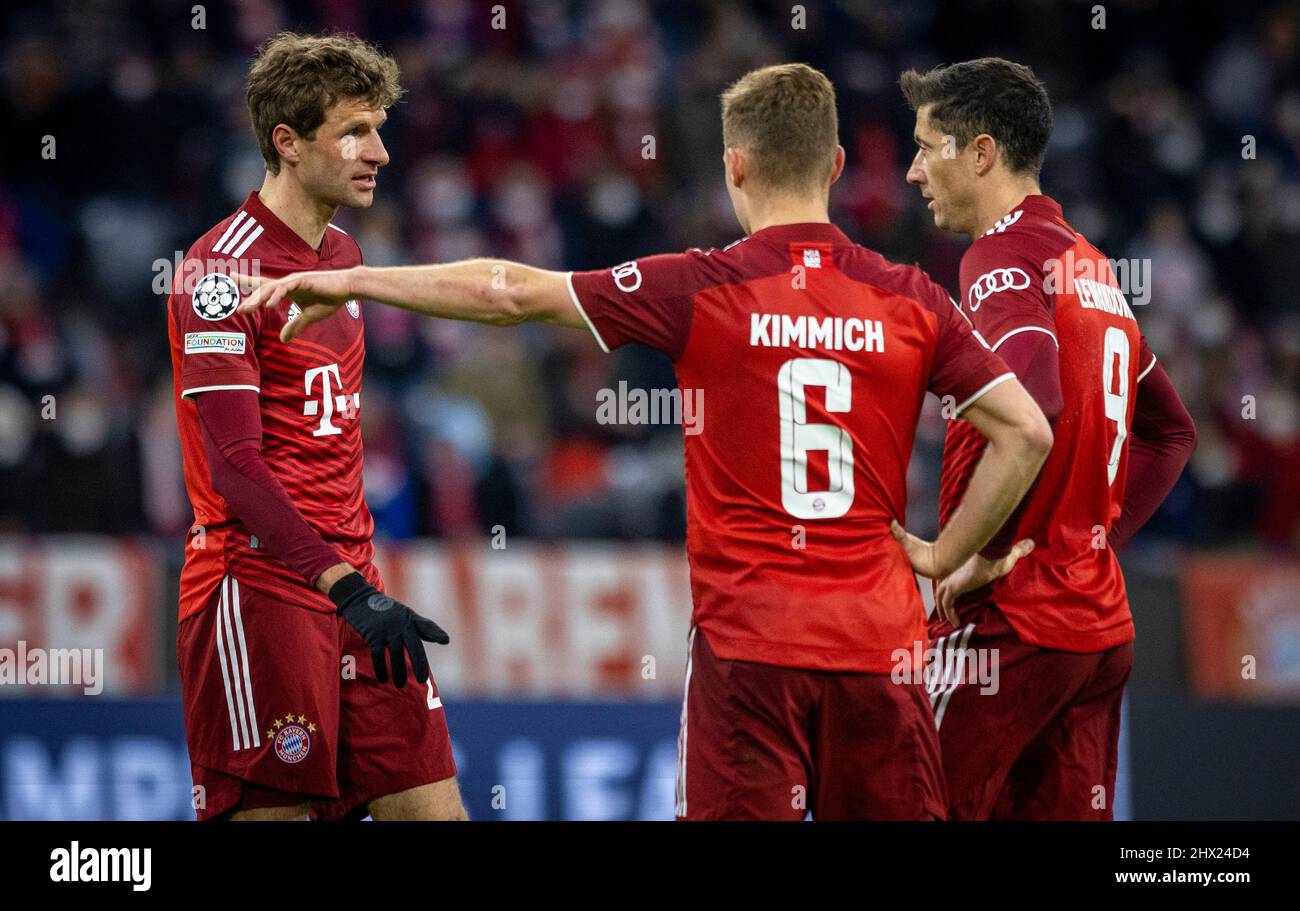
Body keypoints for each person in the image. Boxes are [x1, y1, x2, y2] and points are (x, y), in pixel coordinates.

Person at [237, 63, 1052, 820]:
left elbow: (510, 291)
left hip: (750, 653)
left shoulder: (702, 286)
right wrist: (946, 556)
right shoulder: (912, 297)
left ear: (735, 167)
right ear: (837, 164)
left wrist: (356, 279)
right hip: (883, 652)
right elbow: (1025, 432)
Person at [167, 32, 465, 821]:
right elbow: (233, 463)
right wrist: (341, 584)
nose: (382, 153)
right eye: (356, 132)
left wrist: (355, 585)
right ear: (288, 143)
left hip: (357, 590)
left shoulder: (343, 256)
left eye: (380, 128)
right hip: (260, 592)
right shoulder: (216, 275)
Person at [901, 57, 1197, 819]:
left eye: (926, 146)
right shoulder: (1091, 265)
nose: (910, 171)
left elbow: (1034, 407)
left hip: (1013, 623)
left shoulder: (998, 259)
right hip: (1095, 629)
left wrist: (955, 552)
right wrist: (1088, 538)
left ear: (981, 153)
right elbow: (1170, 433)